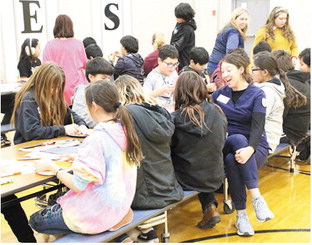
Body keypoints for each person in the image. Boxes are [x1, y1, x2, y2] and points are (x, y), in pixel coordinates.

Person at [29, 80, 144, 235]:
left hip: (97, 213)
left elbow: (78, 185)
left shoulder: (98, 138)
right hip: (119, 206)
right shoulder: (124, 129)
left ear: (94, 106)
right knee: (56, 200)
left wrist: (53, 168)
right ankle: (119, 238)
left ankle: (87, 232)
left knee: (36, 220)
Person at [115, 75, 183, 243]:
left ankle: (127, 235)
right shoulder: (159, 110)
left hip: (145, 194)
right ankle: (147, 231)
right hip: (168, 186)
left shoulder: (126, 115)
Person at [212, 51, 274, 236]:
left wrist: (250, 149)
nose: (225, 75)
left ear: (241, 69)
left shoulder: (257, 94)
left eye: (229, 70)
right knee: (237, 140)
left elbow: (258, 127)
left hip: (255, 145)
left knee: (233, 161)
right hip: (229, 141)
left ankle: (242, 217)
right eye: (222, 71)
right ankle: (256, 198)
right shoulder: (219, 95)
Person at [171, 71, 227, 229]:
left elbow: (168, 149)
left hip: (188, 179)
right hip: (216, 174)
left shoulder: (176, 118)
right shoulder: (217, 111)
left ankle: (149, 227)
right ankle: (210, 207)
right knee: (199, 160)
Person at [11, 62, 88, 144]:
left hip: (49, 144)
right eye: (52, 87)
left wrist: (82, 126)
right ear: (41, 83)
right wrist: (63, 130)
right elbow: (31, 132)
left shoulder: (54, 96)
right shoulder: (28, 99)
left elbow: (72, 115)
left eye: (58, 88)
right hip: (27, 147)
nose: (55, 91)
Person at [42, 14, 88, 105]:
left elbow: (45, 67)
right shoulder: (78, 44)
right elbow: (85, 64)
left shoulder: (49, 45)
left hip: (57, 86)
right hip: (77, 86)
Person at [272, 49, 309, 147]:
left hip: (290, 136)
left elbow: (279, 114)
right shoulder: (301, 81)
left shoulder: (287, 85)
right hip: (299, 132)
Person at [251, 51, 286, 152]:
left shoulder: (267, 92)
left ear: (265, 72)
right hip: (264, 136)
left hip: (265, 141)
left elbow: (257, 119)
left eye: (253, 69)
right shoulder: (266, 87)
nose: (251, 73)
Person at [72, 57, 114, 128]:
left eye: (109, 78)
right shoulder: (83, 93)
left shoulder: (108, 93)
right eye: (103, 78)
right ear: (91, 77)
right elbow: (80, 116)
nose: (107, 81)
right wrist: (106, 123)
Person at [207, 7, 248, 76]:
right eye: (241, 19)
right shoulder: (233, 32)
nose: (244, 22)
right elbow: (231, 52)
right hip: (219, 67)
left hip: (214, 64)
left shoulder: (227, 28)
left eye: (246, 19)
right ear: (234, 19)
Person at [170, 2, 196, 71]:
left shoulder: (187, 29)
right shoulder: (180, 24)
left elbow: (177, 46)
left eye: (179, 17)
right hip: (177, 59)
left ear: (185, 17)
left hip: (183, 62)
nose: (177, 18)